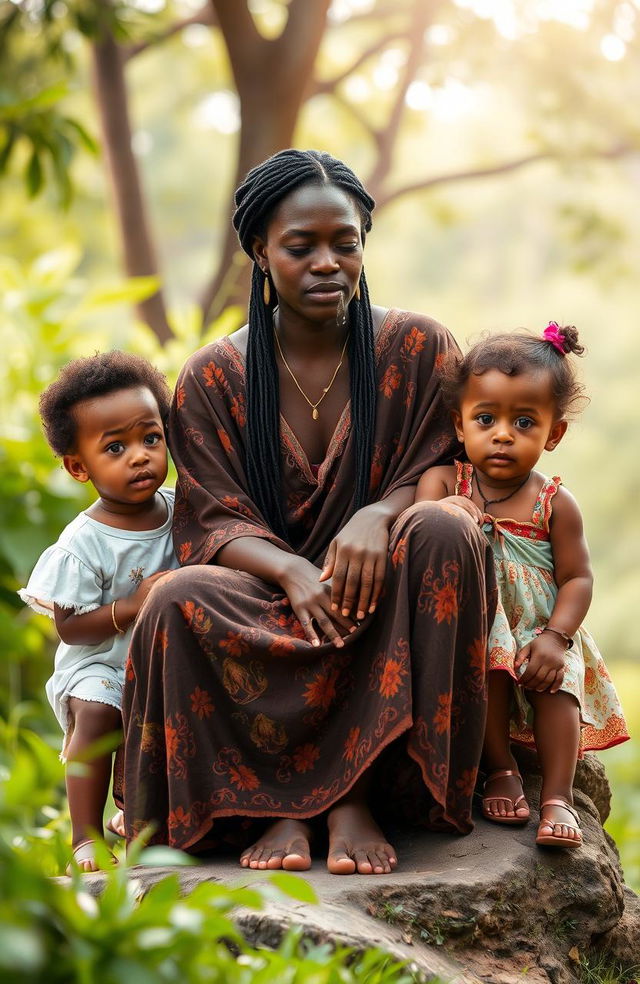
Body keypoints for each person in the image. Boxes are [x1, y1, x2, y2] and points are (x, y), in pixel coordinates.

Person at [123, 148, 497, 874]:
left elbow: (449, 471)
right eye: (301, 247)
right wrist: (292, 569)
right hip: (267, 597)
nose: (327, 263)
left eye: (345, 243)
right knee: (175, 598)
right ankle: (284, 808)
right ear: (261, 251)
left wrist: (379, 515)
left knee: (445, 529)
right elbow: (211, 520)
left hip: (383, 594)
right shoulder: (211, 375)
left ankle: (355, 795)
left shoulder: (419, 347)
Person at [415, 323, 629, 849]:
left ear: (552, 435)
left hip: (542, 628)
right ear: (460, 425)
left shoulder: (554, 502)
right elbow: (419, 530)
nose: (503, 433)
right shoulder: (445, 482)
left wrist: (557, 637)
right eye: (486, 419)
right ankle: (501, 769)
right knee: (488, 666)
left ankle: (557, 795)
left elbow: (577, 576)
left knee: (557, 688)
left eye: (524, 421)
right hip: (481, 627)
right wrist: (446, 511)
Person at [19, 352, 178, 872]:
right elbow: (69, 626)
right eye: (116, 447)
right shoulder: (84, 542)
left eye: (150, 438)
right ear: (78, 466)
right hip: (101, 662)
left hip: (160, 664)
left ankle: (143, 818)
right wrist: (130, 606)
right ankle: (85, 836)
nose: (140, 457)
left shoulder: (184, 510)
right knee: (98, 716)